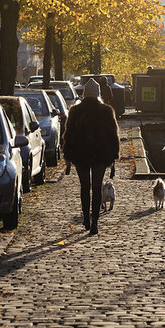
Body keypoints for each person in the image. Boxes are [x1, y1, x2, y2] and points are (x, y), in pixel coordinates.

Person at [62, 79, 120, 236]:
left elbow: (68, 135)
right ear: (98, 94)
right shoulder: (107, 111)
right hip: (100, 155)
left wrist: (68, 156)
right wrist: (114, 155)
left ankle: (86, 218)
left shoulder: (75, 111)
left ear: (84, 94)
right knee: (96, 187)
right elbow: (113, 135)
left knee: (84, 187)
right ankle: (95, 222)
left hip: (81, 155)